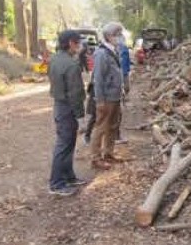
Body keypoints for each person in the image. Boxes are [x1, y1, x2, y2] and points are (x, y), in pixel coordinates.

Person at [48, 30, 87, 196]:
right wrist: (81, 116)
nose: (80, 46)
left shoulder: (54, 59)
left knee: (69, 143)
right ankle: (56, 183)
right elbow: (76, 93)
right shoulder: (71, 65)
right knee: (64, 145)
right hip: (68, 108)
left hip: (59, 105)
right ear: (71, 43)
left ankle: (68, 176)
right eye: (78, 42)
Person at [89, 22, 125, 169]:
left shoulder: (114, 50)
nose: (120, 37)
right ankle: (95, 158)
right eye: (117, 34)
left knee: (113, 126)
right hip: (106, 98)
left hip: (115, 96)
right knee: (101, 127)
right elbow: (98, 79)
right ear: (109, 36)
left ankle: (108, 153)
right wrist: (100, 101)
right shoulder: (101, 54)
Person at [115, 34, 131, 144]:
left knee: (127, 88)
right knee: (115, 113)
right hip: (114, 86)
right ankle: (115, 136)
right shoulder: (107, 52)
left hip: (123, 74)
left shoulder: (124, 48)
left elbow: (126, 60)